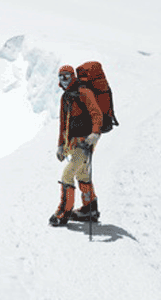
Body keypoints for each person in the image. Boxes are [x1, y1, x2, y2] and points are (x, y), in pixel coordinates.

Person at [49, 65, 102, 227]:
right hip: (74, 142)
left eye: (66, 76)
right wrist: (60, 146)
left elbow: (96, 113)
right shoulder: (65, 97)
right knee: (82, 174)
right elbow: (63, 124)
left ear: (72, 76)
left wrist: (95, 133)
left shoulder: (84, 92)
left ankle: (63, 212)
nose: (63, 80)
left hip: (86, 142)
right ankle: (90, 209)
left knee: (67, 174)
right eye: (60, 77)